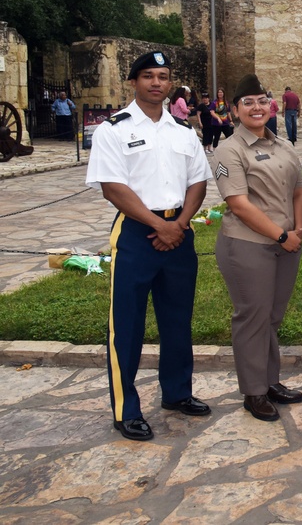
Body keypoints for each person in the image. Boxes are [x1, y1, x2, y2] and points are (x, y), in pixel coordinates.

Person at [85, 51, 213, 441]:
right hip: (137, 234)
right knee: (126, 326)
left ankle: (177, 393)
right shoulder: (113, 130)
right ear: (133, 82)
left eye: (162, 76)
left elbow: (198, 182)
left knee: (177, 319)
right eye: (148, 76)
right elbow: (113, 187)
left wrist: (180, 224)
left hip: (179, 229)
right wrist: (161, 225)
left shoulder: (182, 131)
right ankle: (126, 410)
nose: (156, 83)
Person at [211, 74, 302, 421]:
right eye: (247, 102)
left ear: (271, 106)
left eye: (262, 101)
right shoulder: (230, 150)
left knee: (272, 317)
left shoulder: (284, 146)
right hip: (248, 245)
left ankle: (270, 381)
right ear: (235, 110)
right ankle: (253, 392)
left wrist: (297, 229)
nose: (256, 107)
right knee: (252, 317)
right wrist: (282, 236)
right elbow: (238, 203)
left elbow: (300, 190)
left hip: (286, 244)